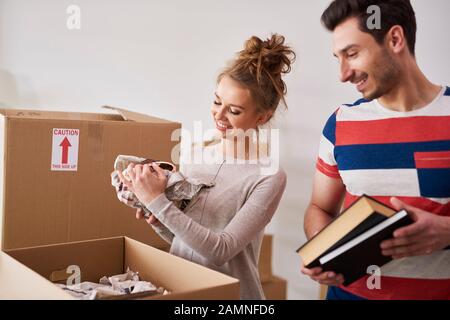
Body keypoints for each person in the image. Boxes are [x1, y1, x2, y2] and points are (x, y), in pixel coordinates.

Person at [118, 34, 295, 300]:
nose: (219, 115)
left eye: (234, 111)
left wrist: (157, 201)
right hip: (183, 290)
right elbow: (189, 242)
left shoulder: (268, 177)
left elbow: (220, 250)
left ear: (263, 116)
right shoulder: (194, 153)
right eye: (216, 101)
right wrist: (155, 215)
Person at [302, 0, 450, 300]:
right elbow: (320, 208)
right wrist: (324, 248)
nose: (343, 74)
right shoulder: (339, 123)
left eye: (352, 54)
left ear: (395, 39)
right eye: (338, 58)